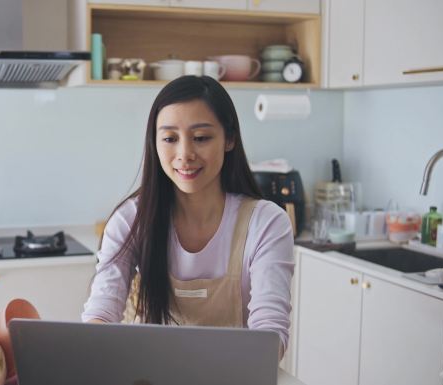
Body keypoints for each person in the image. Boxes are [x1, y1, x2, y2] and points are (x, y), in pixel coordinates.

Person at [81, 75, 294, 358]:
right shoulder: (131, 219)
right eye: (170, 138)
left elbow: (271, 332)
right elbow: (101, 312)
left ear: (229, 139)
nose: (185, 154)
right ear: (154, 143)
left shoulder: (266, 223)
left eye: (201, 138)